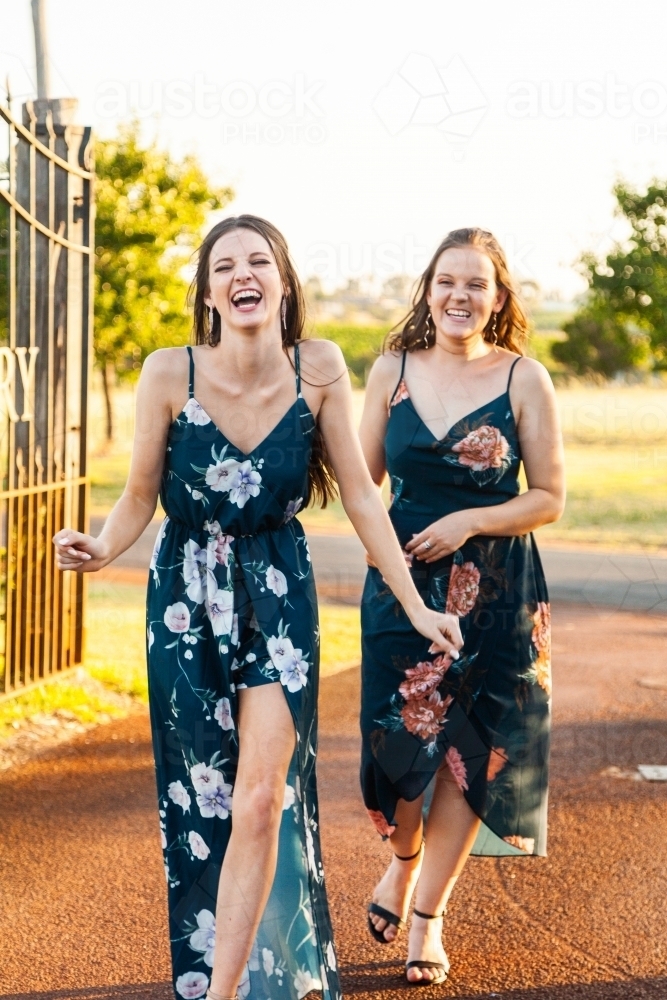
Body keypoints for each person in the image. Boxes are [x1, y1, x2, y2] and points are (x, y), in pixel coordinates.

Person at [53, 215, 463, 1000]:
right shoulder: (168, 372)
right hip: (184, 598)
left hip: (278, 594)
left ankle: (225, 988)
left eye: (259, 262)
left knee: (259, 794)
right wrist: (103, 547)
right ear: (208, 292)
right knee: (205, 791)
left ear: (281, 281)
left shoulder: (320, 369)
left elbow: (363, 502)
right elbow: (140, 493)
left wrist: (413, 604)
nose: (244, 275)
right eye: (226, 265)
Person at [359, 228, 565, 985]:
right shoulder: (391, 370)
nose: (458, 296)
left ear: (497, 297)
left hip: (499, 594)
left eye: (475, 284)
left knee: (470, 761)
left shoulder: (523, 379)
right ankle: (401, 864)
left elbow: (549, 498)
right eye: (446, 281)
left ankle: (426, 919)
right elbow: (362, 489)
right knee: (398, 754)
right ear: (427, 289)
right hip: (403, 587)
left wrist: (471, 519)